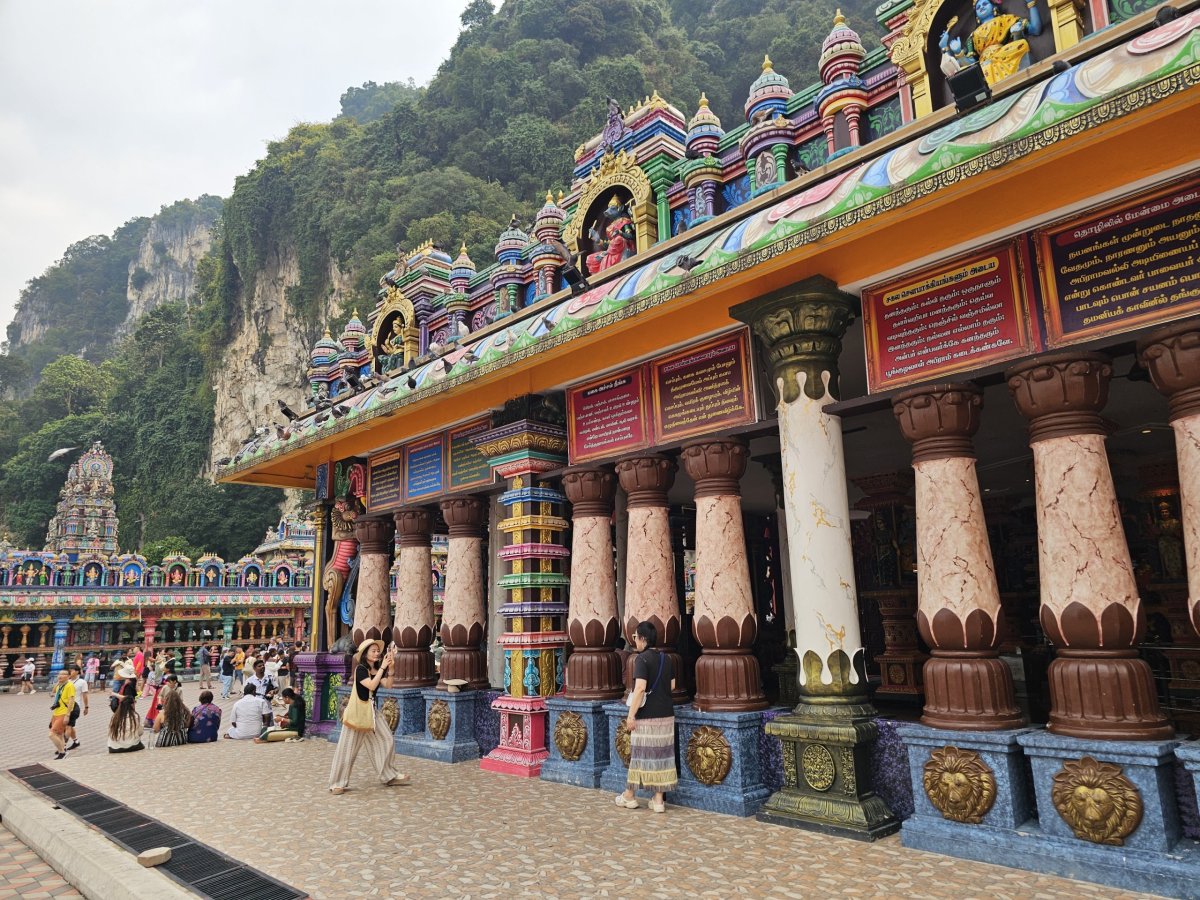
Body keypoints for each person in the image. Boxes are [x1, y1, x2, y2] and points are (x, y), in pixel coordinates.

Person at [328, 640, 410, 794]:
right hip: (357, 713)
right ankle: (337, 783)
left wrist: (391, 668)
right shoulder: (360, 669)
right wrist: (383, 667)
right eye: (373, 651)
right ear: (365, 654)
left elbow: (388, 685)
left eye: (378, 651)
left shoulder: (377, 669)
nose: (377, 653)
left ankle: (389, 775)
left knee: (387, 739)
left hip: (371, 712)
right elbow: (372, 685)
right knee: (347, 749)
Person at [615, 621, 677, 814]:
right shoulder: (666, 658)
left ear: (642, 638)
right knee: (662, 756)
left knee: (640, 756)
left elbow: (640, 688)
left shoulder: (641, 660)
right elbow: (672, 686)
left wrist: (631, 715)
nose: (634, 641)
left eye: (635, 637)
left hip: (647, 716)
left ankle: (629, 795)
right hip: (666, 715)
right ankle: (658, 800)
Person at [107, 664, 144, 753]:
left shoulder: (128, 685)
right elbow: (140, 732)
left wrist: (114, 694)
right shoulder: (131, 683)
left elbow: (128, 698)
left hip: (113, 747)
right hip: (128, 707)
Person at [48, 670, 76, 760]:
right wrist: (58, 682)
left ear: (68, 676)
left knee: (51, 734)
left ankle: (62, 752)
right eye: (59, 674)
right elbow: (53, 692)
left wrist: (68, 714)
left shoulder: (69, 685)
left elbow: (71, 700)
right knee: (60, 734)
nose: (60, 676)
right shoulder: (60, 685)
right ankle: (63, 750)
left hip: (64, 712)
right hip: (56, 712)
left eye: (63, 674)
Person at [65, 662, 88, 750]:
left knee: (68, 726)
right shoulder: (66, 681)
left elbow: (85, 695)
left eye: (72, 670)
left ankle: (62, 746)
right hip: (64, 706)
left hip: (74, 706)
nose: (70, 672)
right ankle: (76, 741)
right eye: (69, 671)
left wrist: (86, 707)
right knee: (70, 726)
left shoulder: (82, 682)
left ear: (77, 672)